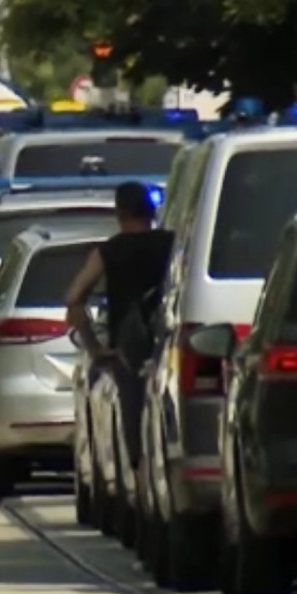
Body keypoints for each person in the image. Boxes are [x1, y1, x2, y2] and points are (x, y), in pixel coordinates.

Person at [64, 181, 174, 466]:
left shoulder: (110, 251)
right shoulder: (171, 244)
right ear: (151, 211)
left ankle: (138, 475)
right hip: (168, 348)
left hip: (129, 353)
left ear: (120, 212)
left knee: (134, 430)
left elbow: (74, 297)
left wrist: (95, 347)